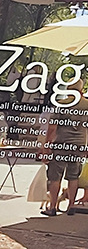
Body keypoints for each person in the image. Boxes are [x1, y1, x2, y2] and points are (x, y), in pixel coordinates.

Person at [39, 76, 88, 216]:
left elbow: (52, 128)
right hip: (79, 144)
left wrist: (46, 146)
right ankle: (71, 205)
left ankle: (52, 207)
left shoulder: (61, 104)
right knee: (73, 176)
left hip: (61, 143)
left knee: (55, 176)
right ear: (81, 90)